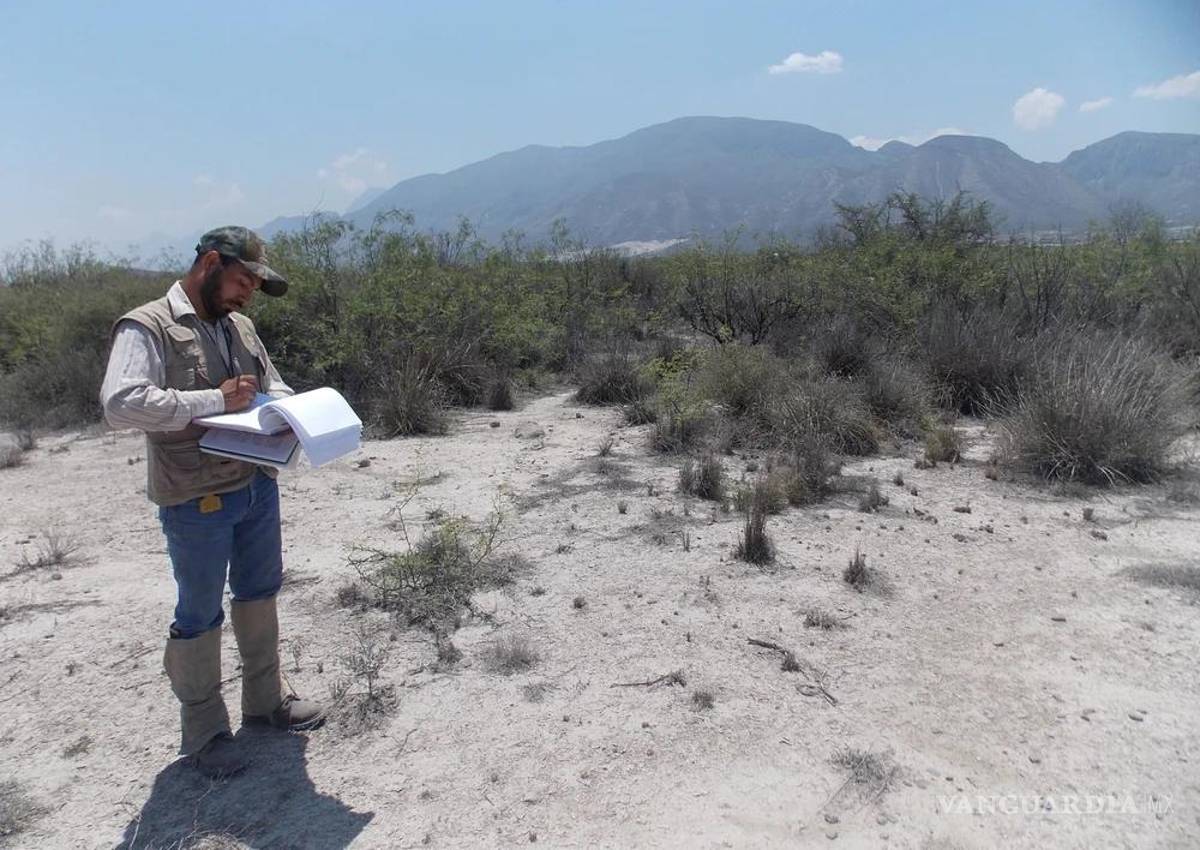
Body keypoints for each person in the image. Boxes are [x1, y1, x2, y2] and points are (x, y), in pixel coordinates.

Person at [100, 225, 323, 778]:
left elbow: (271, 385)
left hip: (254, 485)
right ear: (209, 263)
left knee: (260, 591)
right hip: (194, 496)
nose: (248, 293)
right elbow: (121, 403)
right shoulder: (147, 324)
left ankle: (265, 704)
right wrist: (212, 399)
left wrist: (295, 413)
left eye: (253, 284)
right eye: (244, 279)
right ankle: (204, 733)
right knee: (199, 612)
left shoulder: (240, 326)